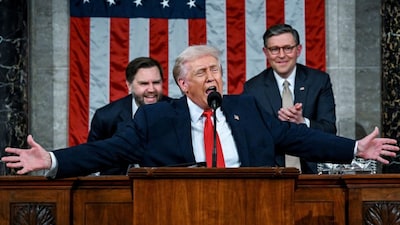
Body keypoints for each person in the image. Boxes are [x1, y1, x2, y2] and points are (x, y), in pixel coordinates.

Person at [1, 45, 398, 179]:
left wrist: (353, 149)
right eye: (203, 71)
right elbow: (105, 151)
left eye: (217, 70)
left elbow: (299, 138)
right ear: (182, 83)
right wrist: (52, 159)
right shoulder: (157, 118)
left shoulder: (248, 108)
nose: (213, 77)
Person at [243, 24, 336, 174]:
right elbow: (250, 138)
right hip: (271, 174)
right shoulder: (253, 88)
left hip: (313, 173)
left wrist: (302, 122)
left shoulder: (318, 82)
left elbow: (330, 130)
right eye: (274, 49)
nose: (281, 55)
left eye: (288, 48)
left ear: (298, 50)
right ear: (265, 52)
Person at [87, 57, 172, 174]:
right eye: (144, 83)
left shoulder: (176, 111)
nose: (151, 89)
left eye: (156, 82)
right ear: (129, 85)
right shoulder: (106, 116)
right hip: (117, 187)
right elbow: (92, 157)